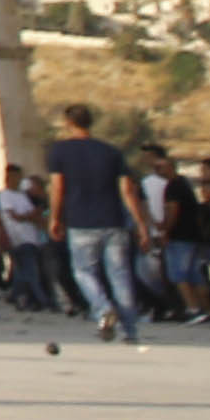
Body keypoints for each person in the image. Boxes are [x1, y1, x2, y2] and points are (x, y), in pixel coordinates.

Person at [43, 105, 146, 343]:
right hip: (113, 221)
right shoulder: (111, 151)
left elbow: (58, 187)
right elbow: (127, 189)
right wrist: (140, 224)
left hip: (81, 222)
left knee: (84, 272)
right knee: (120, 276)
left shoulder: (60, 151)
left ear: (68, 122)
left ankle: (102, 308)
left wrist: (55, 218)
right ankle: (128, 331)